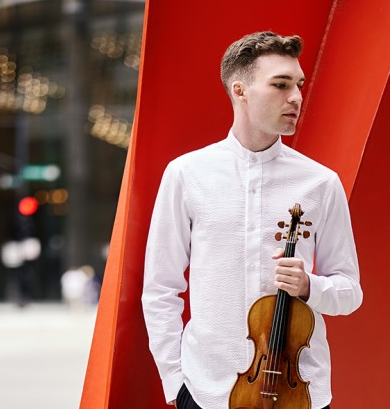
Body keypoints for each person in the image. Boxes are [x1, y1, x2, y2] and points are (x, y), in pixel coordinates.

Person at [142, 31, 363, 409]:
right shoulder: (186, 174)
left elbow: (350, 293)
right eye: (280, 85)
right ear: (240, 90)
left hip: (300, 393)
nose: (295, 97)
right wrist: (175, 382)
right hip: (205, 391)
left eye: (298, 85)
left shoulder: (321, 183)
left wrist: (309, 286)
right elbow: (160, 289)